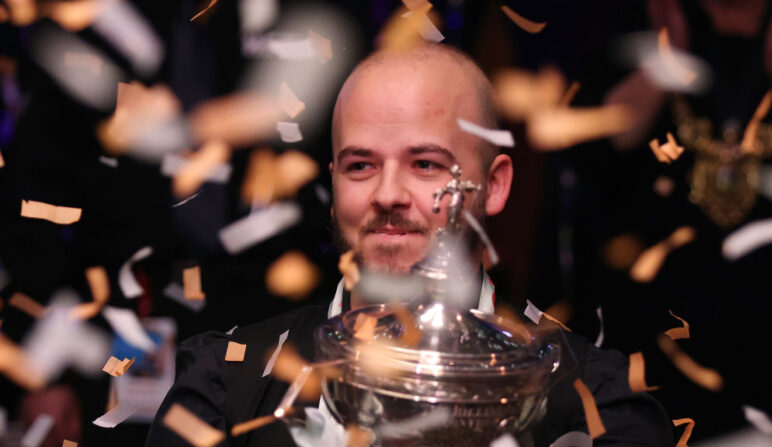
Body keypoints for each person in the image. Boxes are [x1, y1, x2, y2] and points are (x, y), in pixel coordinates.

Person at [145, 43, 674, 447]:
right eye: (361, 165)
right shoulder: (223, 380)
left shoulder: (595, 400)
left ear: (495, 185)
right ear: (333, 186)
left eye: (425, 164)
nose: (388, 194)